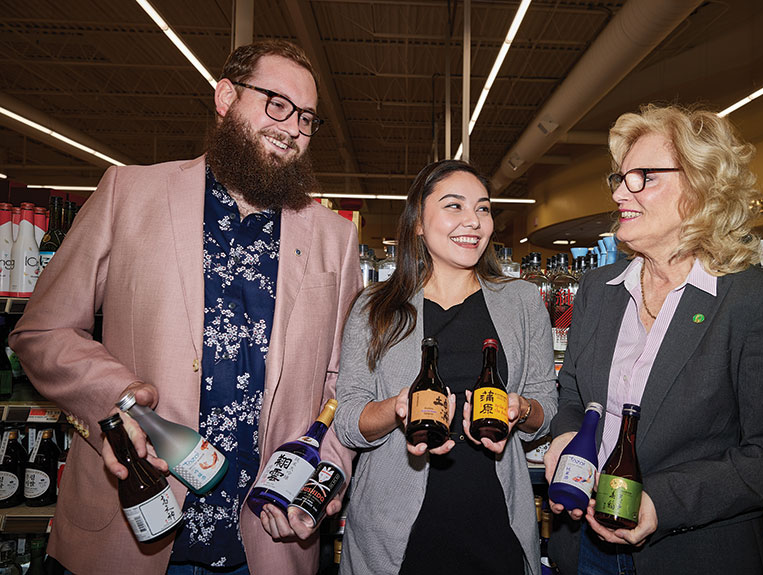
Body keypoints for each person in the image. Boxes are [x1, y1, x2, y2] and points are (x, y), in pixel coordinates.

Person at [9, 40, 361, 575]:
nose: (292, 127)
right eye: (276, 103)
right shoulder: (130, 192)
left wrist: (324, 474)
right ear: (225, 97)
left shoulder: (336, 239)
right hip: (132, 527)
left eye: (307, 118)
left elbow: (345, 381)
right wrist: (119, 399)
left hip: (267, 539)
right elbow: (42, 331)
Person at [544, 104, 763, 575]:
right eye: (619, 177)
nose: (621, 191)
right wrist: (564, 438)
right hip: (581, 548)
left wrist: (661, 502)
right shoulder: (600, 289)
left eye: (642, 176)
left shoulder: (758, 301)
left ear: (701, 188)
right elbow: (575, 395)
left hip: (692, 551)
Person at [334, 159, 558, 575]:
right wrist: (398, 408)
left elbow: (546, 406)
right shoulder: (376, 307)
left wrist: (521, 410)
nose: (473, 221)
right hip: (394, 533)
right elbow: (348, 419)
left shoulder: (523, 303)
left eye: (484, 208)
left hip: (496, 523)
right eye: (454, 206)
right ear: (418, 221)